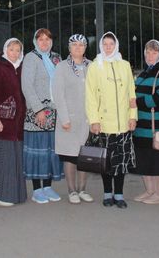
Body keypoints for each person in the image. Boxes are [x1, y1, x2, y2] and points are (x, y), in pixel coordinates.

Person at [85, 31, 137, 208]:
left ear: (116, 46)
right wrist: (94, 120)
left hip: (123, 123)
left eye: (111, 44)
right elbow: (90, 95)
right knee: (105, 161)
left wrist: (133, 116)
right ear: (101, 46)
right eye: (105, 44)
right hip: (104, 123)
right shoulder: (95, 66)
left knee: (121, 161)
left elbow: (131, 93)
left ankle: (120, 194)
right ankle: (107, 193)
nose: (108, 47)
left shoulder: (125, 65)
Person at [0, 38, 28, 206]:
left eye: (18, 50)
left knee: (13, 158)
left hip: (16, 124)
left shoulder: (19, 67)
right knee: (2, 158)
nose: (15, 53)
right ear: (5, 50)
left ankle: (14, 194)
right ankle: (0, 196)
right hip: (2, 122)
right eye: (12, 50)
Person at [21, 28, 64, 204]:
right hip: (37, 112)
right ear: (35, 41)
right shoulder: (31, 58)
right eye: (41, 39)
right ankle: (37, 189)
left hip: (54, 112)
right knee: (37, 150)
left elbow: (61, 84)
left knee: (49, 150)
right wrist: (38, 110)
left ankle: (47, 186)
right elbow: (27, 86)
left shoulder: (56, 58)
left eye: (47, 39)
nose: (44, 43)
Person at [133, 39, 159, 205]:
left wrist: (138, 102)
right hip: (143, 126)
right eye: (148, 52)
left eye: (154, 52)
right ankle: (150, 191)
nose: (150, 55)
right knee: (145, 160)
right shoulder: (144, 73)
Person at [53, 34, 94, 204]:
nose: (78, 48)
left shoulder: (91, 66)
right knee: (70, 156)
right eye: (74, 45)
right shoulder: (62, 67)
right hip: (68, 119)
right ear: (69, 48)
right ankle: (71, 191)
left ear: (85, 47)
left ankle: (83, 189)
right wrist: (64, 118)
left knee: (83, 156)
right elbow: (58, 93)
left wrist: (95, 118)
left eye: (81, 45)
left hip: (86, 119)